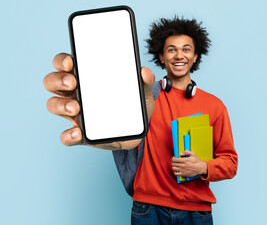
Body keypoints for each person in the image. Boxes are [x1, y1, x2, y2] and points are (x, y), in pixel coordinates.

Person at [43, 16, 237, 225]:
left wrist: (203, 167)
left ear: (196, 56)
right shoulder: (143, 98)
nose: (179, 55)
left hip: (196, 211)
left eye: (186, 49)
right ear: (161, 57)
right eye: (171, 49)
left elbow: (230, 162)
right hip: (148, 209)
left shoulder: (215, 106)